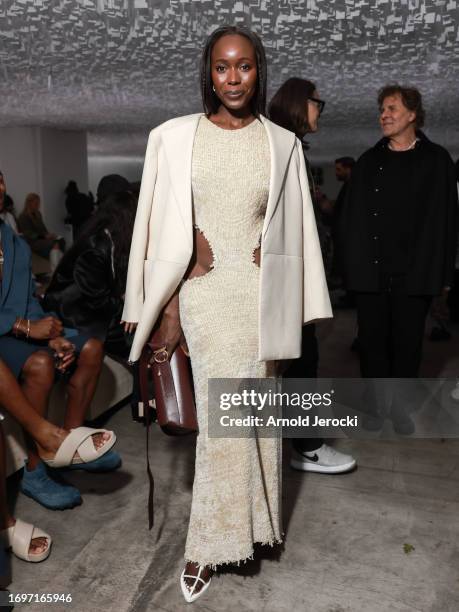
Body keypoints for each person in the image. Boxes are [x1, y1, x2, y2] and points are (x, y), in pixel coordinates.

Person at [121, 25, 332, 602]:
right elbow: (154, 217)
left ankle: (255, 527)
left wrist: (276, 251)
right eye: (221, 67)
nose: (233, 78)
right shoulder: (173, 136)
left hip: (260, 294)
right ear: (208, 73)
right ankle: (207, 546)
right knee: (224, 420)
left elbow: (298, 226)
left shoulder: (281, 144)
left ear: (258, 71)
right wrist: (180, 258)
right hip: (207, 292)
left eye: (243, 67)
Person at [341, 84, 458, 431]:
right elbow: (352, 220)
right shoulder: (368, 161)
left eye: (392, 108)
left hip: (415, 274)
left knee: (407, 346)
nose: (384, 115)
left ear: (412, 115)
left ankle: (400, 406)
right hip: (372, 273)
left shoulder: (437, 161)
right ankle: (377, 405)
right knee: (373, 344)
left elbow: (447, 222)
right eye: (382, 110)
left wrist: (444, 277)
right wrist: (351, 267)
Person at [0, 217, 120, 511]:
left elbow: (28, 300)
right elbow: (21, 318)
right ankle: (35, 469)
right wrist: (25, 328)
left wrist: (49, 334)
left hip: (23, 326)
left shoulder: (14, 240)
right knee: (41, 364)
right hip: (4, 332)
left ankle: (70, 445)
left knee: (91, 347)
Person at [269, 77, 356, 474]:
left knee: (300, 361)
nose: (320, 109)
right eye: (317, 101)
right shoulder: (281, 146)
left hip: (294, 276)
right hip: (286, 278)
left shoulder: (290, 147)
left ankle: (299, 444)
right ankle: (307, 447)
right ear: (300, 103)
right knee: (301, 362)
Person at [44, 191, 137, 359]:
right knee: (132, 336)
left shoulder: (111, 240)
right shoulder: (94, 248)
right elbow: (98, 300)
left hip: (88, 305)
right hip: (72, 312)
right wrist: (130, 309)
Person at [17, 193, 65, 272]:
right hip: (32, 242)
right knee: (54, 244)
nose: (38, 205)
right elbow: (29, 234)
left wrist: (50, 235)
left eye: (38, 203)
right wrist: (45, 237)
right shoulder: (23, 216)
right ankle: (56, 269)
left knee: (61, 240)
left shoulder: (38, 214)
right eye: (36, 203)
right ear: (29, 203)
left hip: (41, 239)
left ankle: (59, 266)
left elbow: (44, 230)